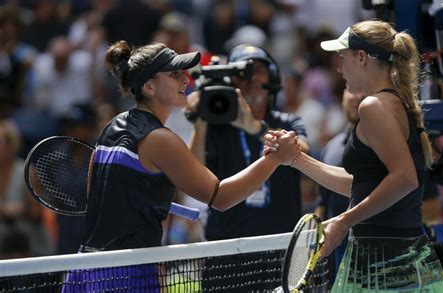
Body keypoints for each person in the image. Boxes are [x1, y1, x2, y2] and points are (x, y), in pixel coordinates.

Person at [62, 41, 299, 292]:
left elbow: (100, 194)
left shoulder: (112, 127)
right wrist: (273, 158)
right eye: (174, 74)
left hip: (84, 271)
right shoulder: (160, 139)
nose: (184, 80)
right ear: (149, 86)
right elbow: (221, 197)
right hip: (126, 274)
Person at [265, 20, 443, 291]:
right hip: (395, 256)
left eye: (342, 58)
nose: (339, 68)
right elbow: (363, 186)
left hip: (386, 260)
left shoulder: (373, 106)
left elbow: (405, 179)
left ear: (361, 57)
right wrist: (296, 158)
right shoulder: (392, 104)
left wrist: (343, 220)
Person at [186, 44, 310, 241]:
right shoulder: (216, 126)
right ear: (231, 81)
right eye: (242, 72)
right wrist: (200, 125)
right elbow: (192, 176)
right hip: (226, 246)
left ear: (272, 78)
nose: (251, 78)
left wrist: (254, 127)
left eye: (258, 70)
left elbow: (303, 153)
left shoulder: (288, 122)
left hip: (280, 244)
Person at [317, 89, 363, 282]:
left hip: (379, 257)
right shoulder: (331, 147)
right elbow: (323, 205)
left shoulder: (392, 145)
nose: (357, 96)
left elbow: (431, 206)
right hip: (337, 266)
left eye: (363, 88)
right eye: (351, 88)